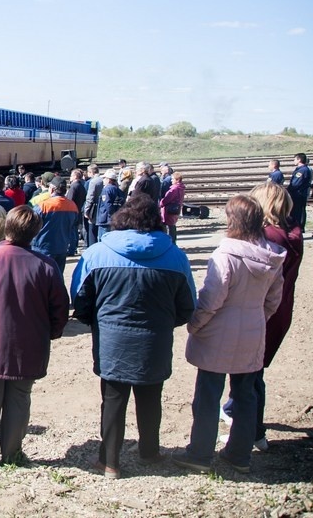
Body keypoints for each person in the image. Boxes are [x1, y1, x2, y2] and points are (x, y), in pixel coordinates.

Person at [71, 196, 196, 478]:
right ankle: (149, 451)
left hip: (111, 340)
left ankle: (110, 461)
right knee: (151, 395)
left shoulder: (96, 254)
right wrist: (163, 323)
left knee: (113, 398)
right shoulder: (175, 257)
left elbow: (79, 300)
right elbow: (187, 306)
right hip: (155, 339)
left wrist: (97, 321)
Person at [173, 195, 284, 475]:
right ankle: (239, 454)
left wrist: (194, 325)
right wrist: (255, 318)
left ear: (232, 220)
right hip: (253, 330)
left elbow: (212, 300)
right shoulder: (272, 256)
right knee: (246, 395)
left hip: (217, 333)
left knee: (208, 396)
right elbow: (273, 300)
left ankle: (199, 453)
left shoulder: (225, 255)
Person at [0, 206, 69, 466]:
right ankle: (12, 454)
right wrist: (51, 333)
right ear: (35, 233)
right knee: (19, 398)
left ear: (5, 228)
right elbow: (60, 308)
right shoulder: (46, 266)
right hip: (29, 344)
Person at [221, 182, 304, 452]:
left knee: (249, 374)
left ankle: (252, 432)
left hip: (260, 312)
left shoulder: (269, 238)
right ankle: (240, 416)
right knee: (253, 371)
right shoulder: (290, 233)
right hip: (278, 310)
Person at [31, 177, 80, 273]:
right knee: (58, 276)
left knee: (42, 278)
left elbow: (32, 225)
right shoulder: (72, 206)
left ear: (52, 189)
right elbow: (74, 225)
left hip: (43, 248)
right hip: (62, 247)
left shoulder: (43, 206)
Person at [95, 170, 125, 239]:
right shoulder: (118, 190)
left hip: (105, 219)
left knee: (103, 239)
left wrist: (111, 215)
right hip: (115, 218)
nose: (103, 180)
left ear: (109, 180)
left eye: (104, 178)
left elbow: (108, 204)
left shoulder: (107, 190)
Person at [287, 153, 312, 230]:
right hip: (297, 193)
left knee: (298, 211)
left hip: (299, 194)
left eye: (295, 159)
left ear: (299, 160)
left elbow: (296, 183)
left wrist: (288, 190)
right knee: (296, 210)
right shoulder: (300, 169)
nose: (294, 161)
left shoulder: (303, 170)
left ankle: (299, 227)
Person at [160, 172, 186, 245]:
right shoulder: (181, 188)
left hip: (169, 210)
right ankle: (173, 241)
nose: (171, 180)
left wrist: (161, 203)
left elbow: (167, 199)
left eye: (172, 179)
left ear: (177, 180)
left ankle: (169, 242)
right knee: (172, 225)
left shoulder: (174, 189)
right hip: (175, 209)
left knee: (168, 225)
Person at [81, 165, 103, 248]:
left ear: (91, 172)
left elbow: (89, 198)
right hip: (101, 208)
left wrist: (86, 211)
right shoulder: (102, 180)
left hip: (93, 209)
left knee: (92, 231)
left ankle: (92, 248)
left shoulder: (93, 182)